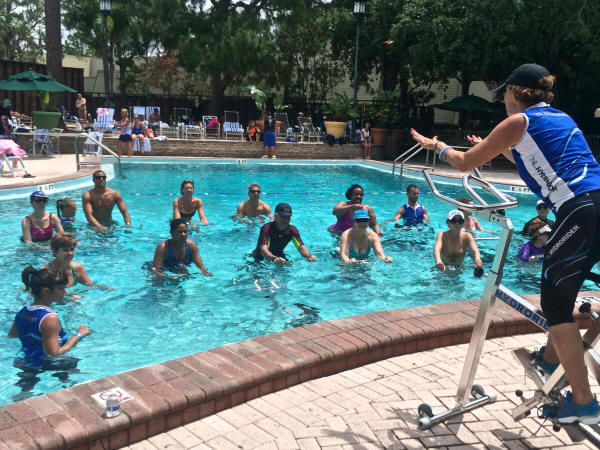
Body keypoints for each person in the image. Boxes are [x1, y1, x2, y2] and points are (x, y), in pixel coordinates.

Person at [411, 63, 600, 423]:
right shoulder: (559, 117)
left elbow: (464, 164)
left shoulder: (518, 121)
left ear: (515, 93)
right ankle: (551, 360)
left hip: (580, 211)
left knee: (555, 304)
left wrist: (438, 147)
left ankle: (584, 403)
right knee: (563, 292)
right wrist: (494, 149)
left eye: (504, 96)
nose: (503, 102)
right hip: (594, 206)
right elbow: (535, 157)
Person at [8, 266, 91, 367]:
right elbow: (53, 354)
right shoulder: (49, 318)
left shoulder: (23, 311)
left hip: (25, 362)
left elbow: (13, 335)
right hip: (48, 366)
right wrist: (78, 335)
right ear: (46, 291)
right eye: (61, 288)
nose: (64, 292)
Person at [251, 203, 317, 263]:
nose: (286, 220)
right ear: (275, 216)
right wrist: (274, 259)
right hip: (260, 258)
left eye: (288, 217)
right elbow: (263, 250)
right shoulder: (267, 228)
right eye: (283, 217)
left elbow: (300, 247)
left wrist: (309, 256)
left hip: (279, 256)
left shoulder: (292, 230)